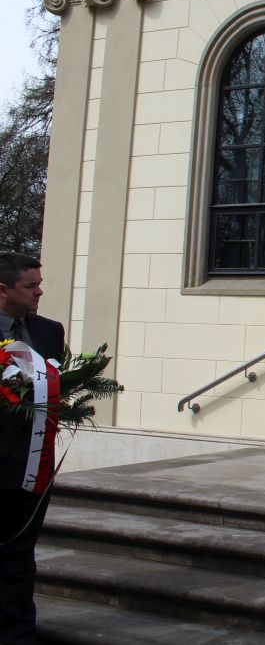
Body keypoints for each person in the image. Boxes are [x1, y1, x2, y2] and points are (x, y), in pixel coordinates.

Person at [0, 252, 65, 644]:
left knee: (20, 556)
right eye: (30, 285)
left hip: (31, 466)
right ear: (3, 289)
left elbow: (58, 387)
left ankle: (19, 634)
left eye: (39, 284)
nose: (39, 292)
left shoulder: (49, 331)